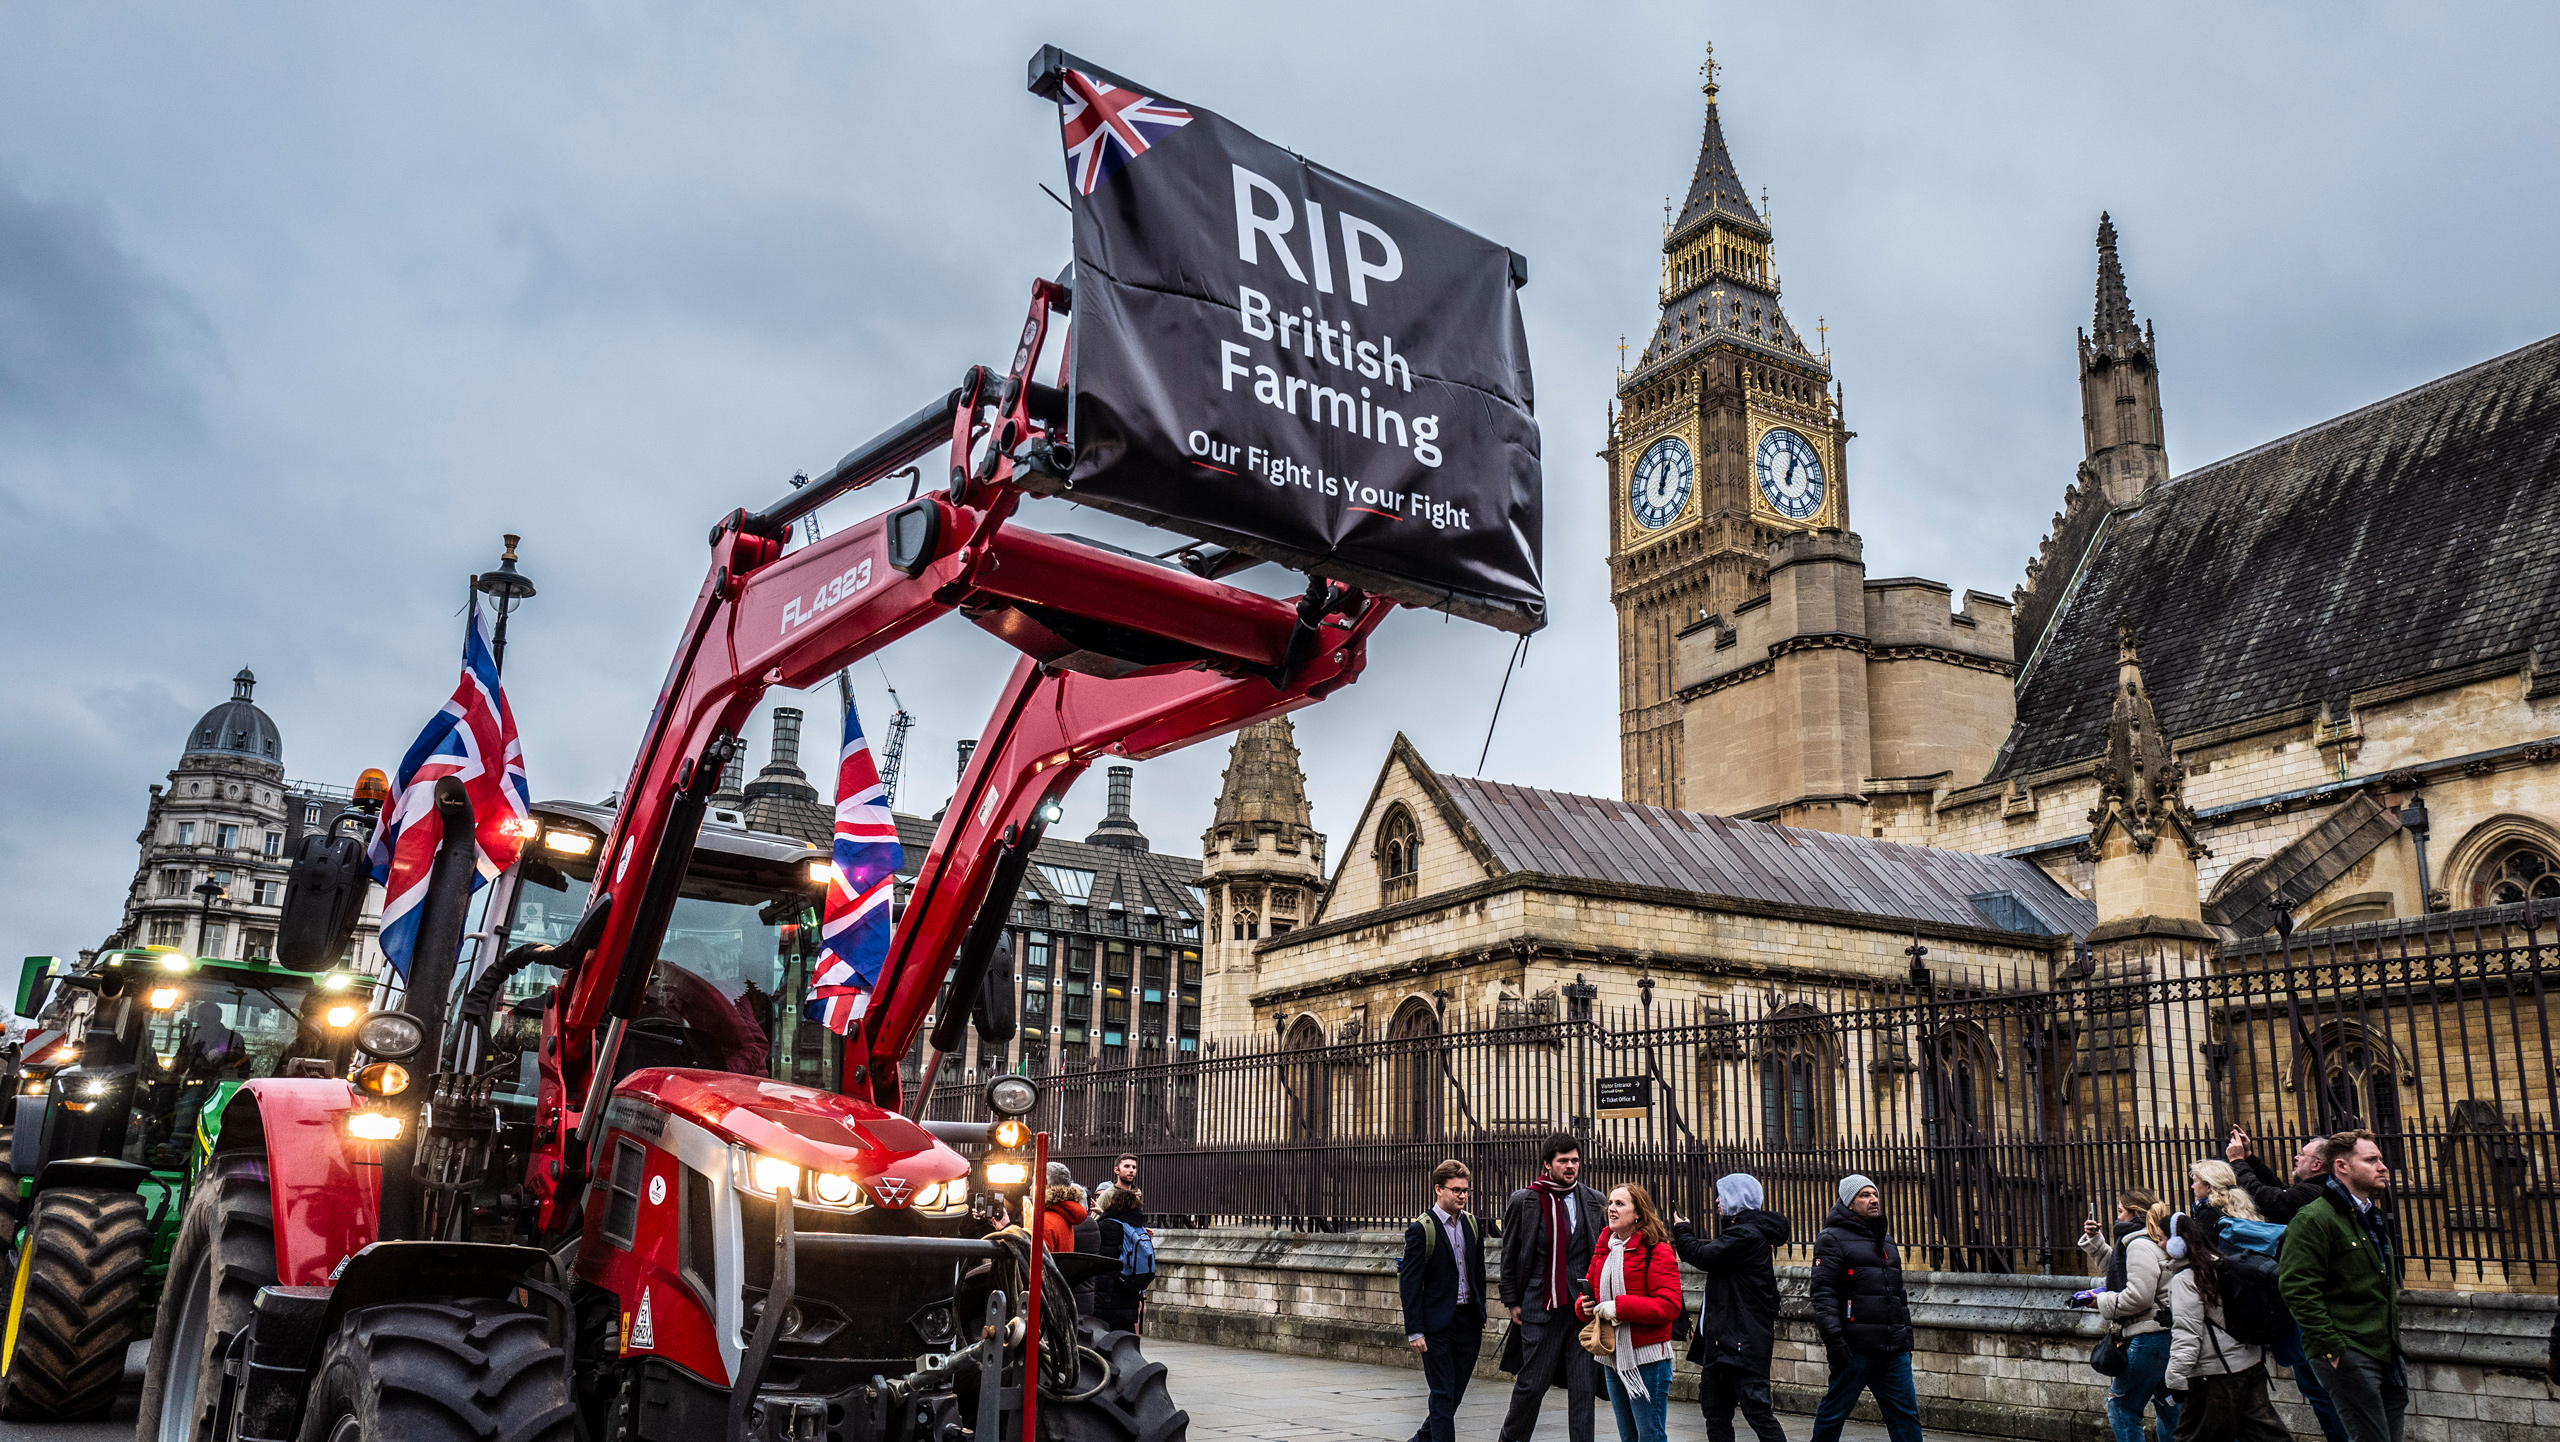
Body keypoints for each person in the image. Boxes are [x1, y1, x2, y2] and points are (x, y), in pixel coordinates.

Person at [2219, 1128, 2349, 1442]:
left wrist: (2237, 1163)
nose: (2295, 1156)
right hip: (2318, 1316)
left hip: (2318, 1317)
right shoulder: (2314, 1192)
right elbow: (2279, 1193)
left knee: (2322, 1393)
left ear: (2317, 1165)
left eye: (2301, 1154)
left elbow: (2268, 1197)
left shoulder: (2317, 1194)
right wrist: (2249, 1158)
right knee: (2321, 1392)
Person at [2277, 1131, 2405, 1442]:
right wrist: (2332, 1349)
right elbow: (2297, 1287)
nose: (2383, 1166)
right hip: (2348, 1350)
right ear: (2342, 1166)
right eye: (2371, 1160)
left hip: (2384, 1347)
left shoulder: (2367, 1216)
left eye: (2380, 1159)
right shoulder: (2314, 1218)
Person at [1498, 1132, 1607, 1442]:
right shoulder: (1525, 1200)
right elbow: (1510, 1255)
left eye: (1575, 1160)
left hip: (1582, 1310)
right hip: (1539, 1304)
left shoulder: (1593, 1199)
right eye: (1563, 1161)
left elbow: (1599, 1254)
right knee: (1532, 1385)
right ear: (1547, 1164)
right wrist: (1512, 1300)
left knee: (1583, 1390)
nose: (1571, 1166)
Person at [1673, 1173, 1790, 1442]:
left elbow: (1703, 1256)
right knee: (1715, 1413)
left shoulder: (1746, 1235)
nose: (1716, 1200)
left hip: (1741, 1344)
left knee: (1757, 1412)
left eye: (1722, 1194)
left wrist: (1682, 1230)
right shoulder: (1739, 1233)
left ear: (1737, 1198)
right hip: (1723, 1344)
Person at [1807, 1176, 1922, 1442]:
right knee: (1834, 1412)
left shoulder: (1887, 1240)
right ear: (1849, 1202)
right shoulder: (1831, 1238)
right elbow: (1823, 1293)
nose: (1873, 1200)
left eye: (1874, 1194)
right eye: (1864, 1195)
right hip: (1854, 1348)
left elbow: (1897, 1294)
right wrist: (1834, 1339)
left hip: (1893, 1349)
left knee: (1906, 1415)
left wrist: (1906, 1341)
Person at [2161, 1209, 2286, 1442]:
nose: (2159, 1244)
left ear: (2177, 1243)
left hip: (2214, 1375)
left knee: (2192, 1437)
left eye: (2161, 1238)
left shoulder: (2186, 1280)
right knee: (2267, 1437)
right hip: (2250, 1365)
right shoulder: (2222, 1265)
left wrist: (2176, 1378)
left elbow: (2187, 1334)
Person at [1576, 1183, 1684, 1442]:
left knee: (1650, 1436)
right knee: (1628, 1436)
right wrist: (1584, 1305)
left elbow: (1669, 1306)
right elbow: (1590, 1294)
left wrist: (1620, 1307)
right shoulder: (1605, 1248)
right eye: (1611, 1203)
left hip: (1647, 1361)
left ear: (1638, 1213)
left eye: (1620, 1204)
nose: (1611, 1208)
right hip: (1613, 1359)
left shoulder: (1657, 1250)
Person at [2077, 1200, 2182, 1442]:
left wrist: (2101, 1300)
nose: (2117, 1218)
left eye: (2120, 1211)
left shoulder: (2138, 1245)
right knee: (2169, 1407)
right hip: (2165, 1336)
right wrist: (2096, 1241)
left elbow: (2138, 1297)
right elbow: (2121, 1273)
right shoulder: (2153, 1241)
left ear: (2134, 1212)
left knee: (2122, 1408)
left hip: (2147, 1337)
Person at [1399, 1160, 1488, 1442]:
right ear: (1438, 1189)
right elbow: (1410, 1283)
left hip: (1468, 1323)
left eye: (1466, 1190)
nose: (1462, 1195)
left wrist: (1481, 1312)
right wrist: (1415, 1330)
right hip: (1436, 1326)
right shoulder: (1421, 1230)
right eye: (1456, 1190)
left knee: (1453, 1397)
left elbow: (1479, 1273)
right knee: (1442, 1394)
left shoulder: (1472, 1224)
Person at [1093, 1184, 1152, 1333]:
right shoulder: (1139, 1228)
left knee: (1103, 1338)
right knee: (1125, 1338)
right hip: (1130, 1290)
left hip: (1107, 1295)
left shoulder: (1105, 1226)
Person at [1040, 1161, 1088, 1258]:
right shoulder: (1063, 1216)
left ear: (1044, 1182)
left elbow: (1038, 1263)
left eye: (1033, 1182)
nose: (1030, 1187)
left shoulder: (1044, 1221)